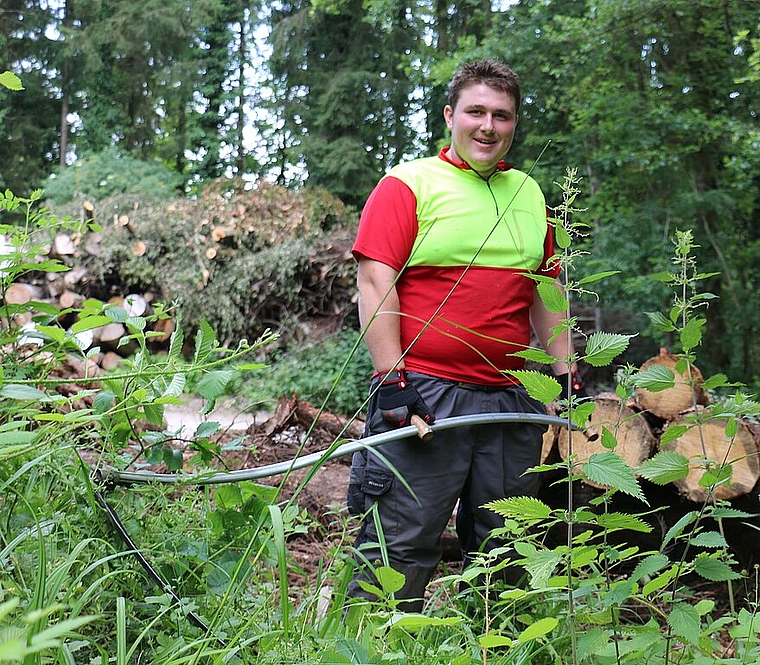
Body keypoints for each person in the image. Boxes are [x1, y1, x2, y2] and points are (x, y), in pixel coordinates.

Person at [345, 59, 581, 612]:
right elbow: (375, 279)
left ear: (514, 125)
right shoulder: (408, 184)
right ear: (450, 115)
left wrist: (567, 374)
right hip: (426, 396)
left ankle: (495, 648)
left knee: (509, 551)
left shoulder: (529, 192)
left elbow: (549, 291)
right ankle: (374, 646)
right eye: (476, 111)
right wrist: (392, 382)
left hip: (511, 402)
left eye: (502, 116)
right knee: (399, 547)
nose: (487, 126)